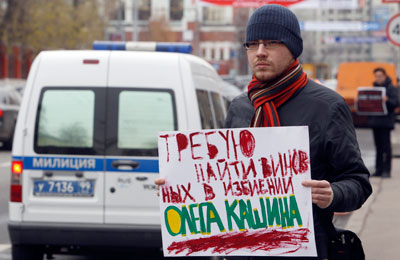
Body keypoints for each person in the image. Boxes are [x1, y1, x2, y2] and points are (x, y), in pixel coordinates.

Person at [156, 5, 372, 260]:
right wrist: (179, 188)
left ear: (292, 48)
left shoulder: (327, 107)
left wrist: (333, 194)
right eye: (252, 44)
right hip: (240, 251)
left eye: (271, 43)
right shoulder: (240, 106)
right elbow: (223, 179)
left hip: (303, 250)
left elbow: (358, 182)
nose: (260, 52)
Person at [369, 67, 399, 178]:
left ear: (385, 76)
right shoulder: (374, 88)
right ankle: (378, 170)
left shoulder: (391, 88)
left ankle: (387, 171)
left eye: (380, 76)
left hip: (386, 122)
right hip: (375, 121)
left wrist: (387, 100)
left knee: (386, 147)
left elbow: (396, 103)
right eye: (376, 76)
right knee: (378, 147)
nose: (378, 78)